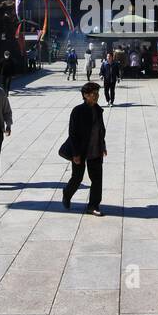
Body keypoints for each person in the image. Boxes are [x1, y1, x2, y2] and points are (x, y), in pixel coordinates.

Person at [62, 81, 108, 215]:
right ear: (85, 95)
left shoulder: (98, 109)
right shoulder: (78, 111)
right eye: (94, 93)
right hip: (80, 150)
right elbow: (73, 134)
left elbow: (100, 129)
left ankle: (93, 205)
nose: (97, 96)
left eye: (97, 93)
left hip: (95, 149)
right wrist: (75, 154)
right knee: (77, 178)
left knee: (97, 179)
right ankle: (67, 193)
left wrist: (102, 145)